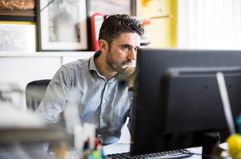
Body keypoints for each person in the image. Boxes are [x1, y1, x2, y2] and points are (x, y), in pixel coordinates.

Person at [36, 14, 144, 145]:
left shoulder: (134, 78)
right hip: (72, 151)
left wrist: (133, 91)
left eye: (136, 48)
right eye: (125, 47)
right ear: (103, 46)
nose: (132, 57)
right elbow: (43, 123)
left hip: (110, 151)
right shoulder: (69, 73)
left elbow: (141, 134)